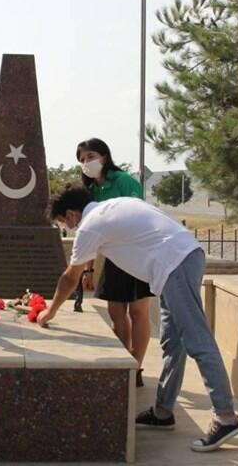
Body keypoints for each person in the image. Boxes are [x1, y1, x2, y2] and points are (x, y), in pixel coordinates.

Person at [39, 187, 238, 453]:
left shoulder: (89, 225)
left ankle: (226, 417)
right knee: (173, 344)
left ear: (71, 214)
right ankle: (163, 411)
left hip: (174, 264)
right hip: (182, 258)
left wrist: (49, 311)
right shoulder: (115, 204)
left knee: (197, 340)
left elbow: (70, 277)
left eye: (64, 224)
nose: (69, 229)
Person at [75, 138, 152, 387]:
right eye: (83, 159)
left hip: (137, 252)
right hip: (114, 256)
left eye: (91, 156)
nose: (87, 162)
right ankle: (123, 362)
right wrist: (89, 269)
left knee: (138, 312)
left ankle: (136, 366)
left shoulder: (123, 181)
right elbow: (91, 232)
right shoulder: (92, 191)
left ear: (104, 156)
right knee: (115, 312)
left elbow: (138, 216)